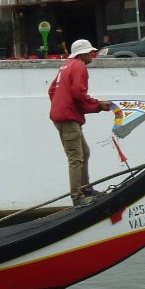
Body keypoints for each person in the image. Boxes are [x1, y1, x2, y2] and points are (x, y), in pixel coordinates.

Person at [48, 39, 113, 207]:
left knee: (84, 152)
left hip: (63, 116)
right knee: (76, 158)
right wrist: (98, 105)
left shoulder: (66, 66)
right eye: (90, 52)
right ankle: (78, 196)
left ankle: (85, 189)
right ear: (82, 54)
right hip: (68, 118)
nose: (93, 54)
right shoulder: (79, 66)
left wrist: (61, 105)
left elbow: (52, 90)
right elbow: (78, 92)